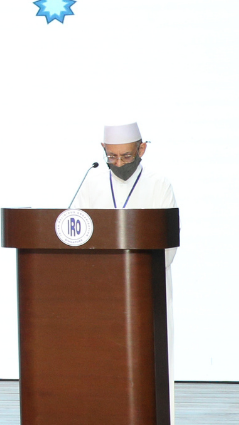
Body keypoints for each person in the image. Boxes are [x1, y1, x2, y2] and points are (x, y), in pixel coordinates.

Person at [74, 121, 178, 421]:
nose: (118, 164)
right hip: (99, 289)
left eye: (126, 157)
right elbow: (76, 230)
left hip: (144, 287)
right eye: (112, 157)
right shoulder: (91, 182)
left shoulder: (159, 184)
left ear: (142, 149)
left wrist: (140, 271)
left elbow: (167, 240)